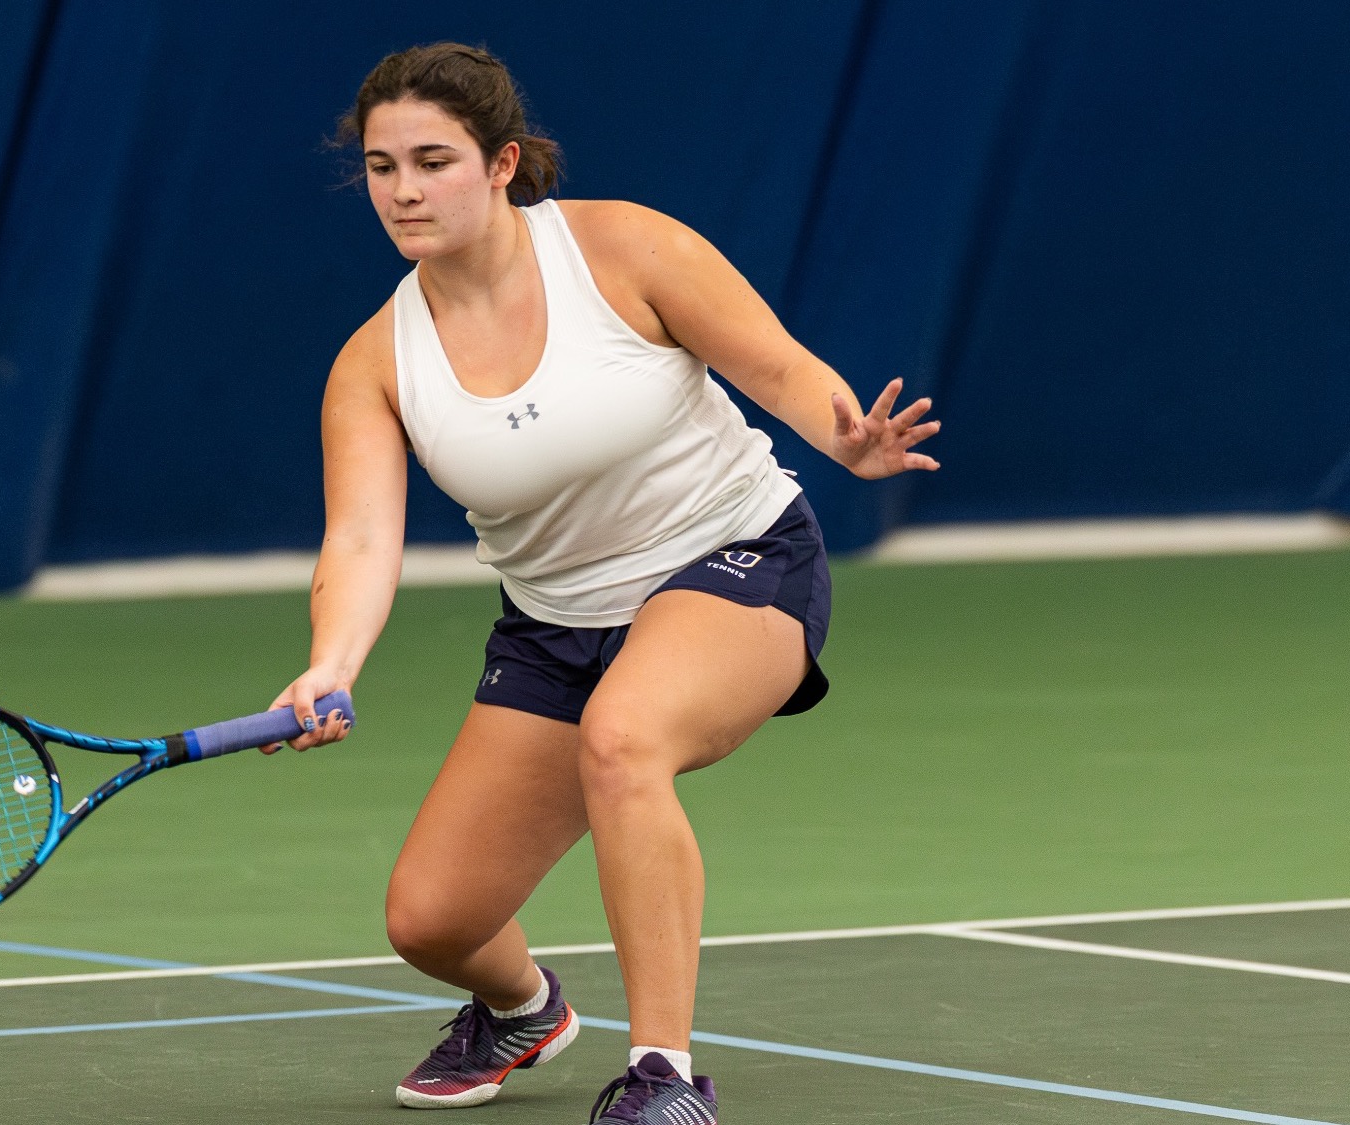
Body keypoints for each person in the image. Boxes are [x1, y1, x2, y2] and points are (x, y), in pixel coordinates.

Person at [265, 42, 940, 1123]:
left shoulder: (621, 248)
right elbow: (358, 542)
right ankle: (522, 1010)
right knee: (431, 920)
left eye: (432, 161)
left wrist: (843, 434)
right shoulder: (376, 362)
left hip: (734, 560)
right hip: (555, 627)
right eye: (382, 168)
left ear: (501, 163)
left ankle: (665, 1075)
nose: (403, 191)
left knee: (622, 739)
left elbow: (773, 363)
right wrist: (329, 664)